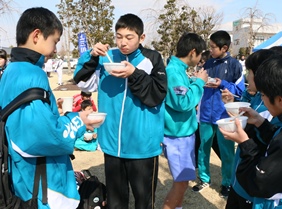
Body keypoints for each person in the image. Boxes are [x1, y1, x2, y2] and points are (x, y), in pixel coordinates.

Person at [0, 7, 101, 209]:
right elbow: (44, 137)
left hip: (22, 176)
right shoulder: (31, 74)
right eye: (54, 41)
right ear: (36, 35)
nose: (55, 49)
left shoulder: (12, 69)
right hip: (42, 187)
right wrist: (79, 120)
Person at [73, 13, 167, 209]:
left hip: (143, 145)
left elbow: (157, 95)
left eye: (129, 37)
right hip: (112, 144)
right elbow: (82, 82)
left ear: (141, 38)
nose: (123, 42)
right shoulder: (107, 58)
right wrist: (91, 56)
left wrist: (134, 74)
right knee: (116, 202)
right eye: (119, 36)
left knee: (144, 201)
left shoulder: (152, 58)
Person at [220, 55, 282, 208]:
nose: (261, 99)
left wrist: (245, 143)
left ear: (280, 100)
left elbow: (257, 184)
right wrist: (260, 123)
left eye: (263, 95)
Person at [221, 49, 281, 209]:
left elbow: (266, 150)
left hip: (251, 189)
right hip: (238, 180)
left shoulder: (272, 108)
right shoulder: (257, 98)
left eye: (249, 72)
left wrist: (242, 138)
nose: (247, 76)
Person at [193, 30, 245, 197]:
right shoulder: (207, 64)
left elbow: (240, 91)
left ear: (224, 48)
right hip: (205, 113)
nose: (211, 50)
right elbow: (200, 83)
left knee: (227, 151)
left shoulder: (235, 65)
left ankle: (227, 183)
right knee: (203, 147)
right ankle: (204, 178)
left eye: (213, 47)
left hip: (224, 115)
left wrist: (222, 83)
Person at [163, 33, 208, 209]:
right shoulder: (173, 72)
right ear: (193, 52)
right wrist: (199, 83)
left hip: (184, 133)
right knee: (181, 182)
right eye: (200, 55)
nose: (200, 59)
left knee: (184, 180)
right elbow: (183, 103)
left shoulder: (179, 70)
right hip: (177, 136)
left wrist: (194, 82)